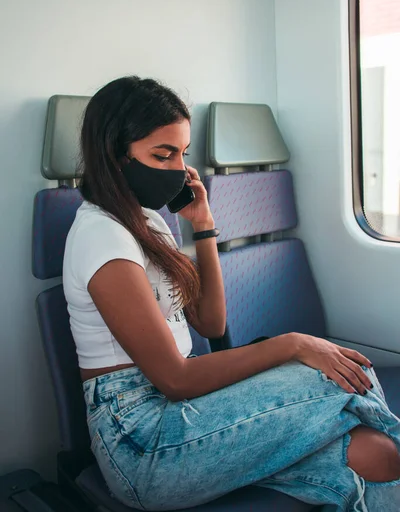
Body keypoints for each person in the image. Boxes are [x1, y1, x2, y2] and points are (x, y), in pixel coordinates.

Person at [63, 76, 400, 512]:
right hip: (141, 442)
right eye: (162, 155)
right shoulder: (100, 237)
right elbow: (176, 379)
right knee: (342, 372)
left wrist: (201, 224)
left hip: (183, 413)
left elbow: (211, 322)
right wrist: (292, 344)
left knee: (378, 455)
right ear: (114, 156)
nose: (177, 169)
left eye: (183, 154)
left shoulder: (147, 223)